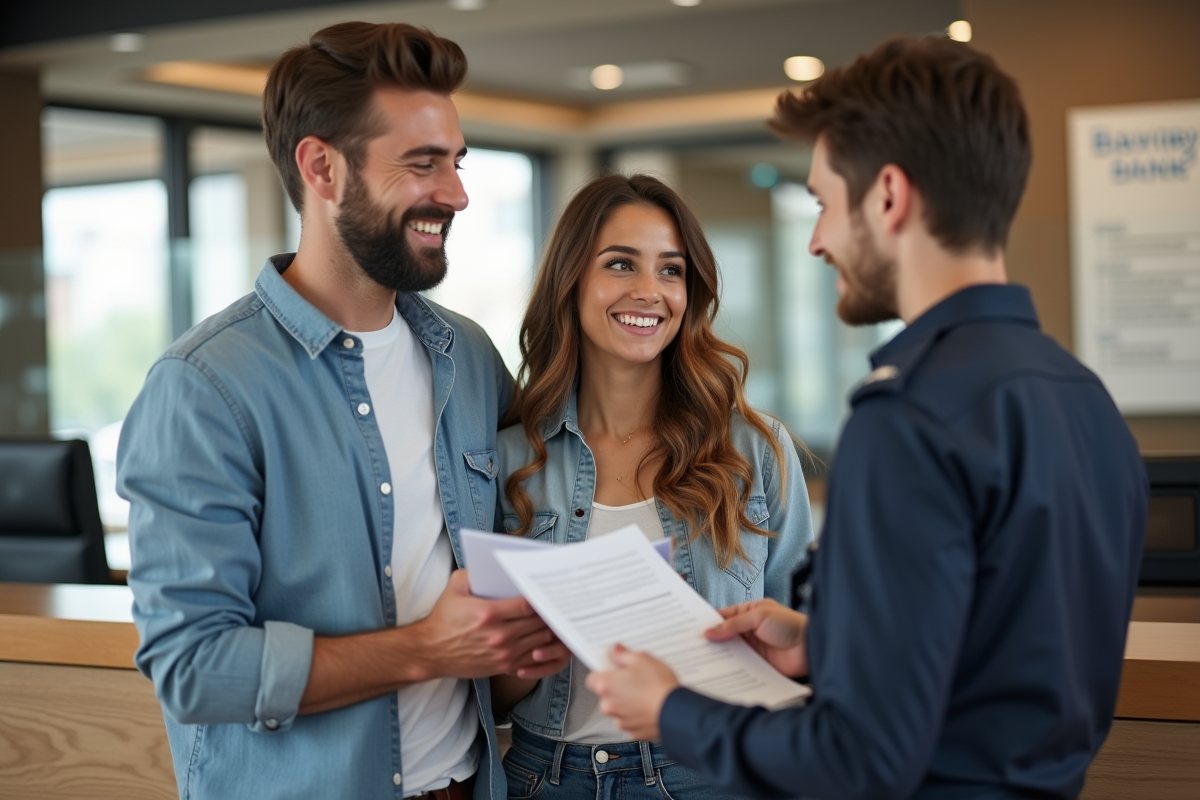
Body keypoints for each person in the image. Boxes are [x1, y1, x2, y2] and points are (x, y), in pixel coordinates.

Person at [587, 36, 1148, 800]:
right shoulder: (1082, 398)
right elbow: (1006, 656)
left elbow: (858, 759)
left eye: (822, 203)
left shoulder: (912, 418)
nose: (817, 241)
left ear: (888, 196)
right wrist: (825, 643)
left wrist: (671, 711)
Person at [117, 22, 568, 800]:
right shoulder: (203, 386)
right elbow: (194, 669)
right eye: (422, 164)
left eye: (456, 163)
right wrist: (427, 649)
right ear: (321, 167)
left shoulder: (467, 357)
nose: (456, 194)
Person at [491, 173, 816, 800]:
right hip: (545, 777)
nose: (650, 291)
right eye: (620, 264)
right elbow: (490, 696)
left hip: (712, 771)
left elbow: (806, 648)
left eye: (671, 271)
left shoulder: (753, 449)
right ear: (572, 280)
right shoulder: (510, 457)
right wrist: (530, 653)